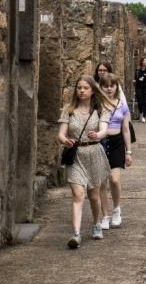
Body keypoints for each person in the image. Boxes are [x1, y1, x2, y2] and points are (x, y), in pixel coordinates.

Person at [57, 75, 113, 248]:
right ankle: (76, 234)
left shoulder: (100, 109)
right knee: (78, 195)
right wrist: (64, 140)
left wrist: (97, 134)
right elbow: (60, 133)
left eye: (85, 88)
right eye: (79, 87)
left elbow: (104, 129)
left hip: (94, 153)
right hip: (76, 155)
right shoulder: (69, 110)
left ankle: (96, 223)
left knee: (94, 196)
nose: (81, 90)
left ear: (92, 90)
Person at [98, 73, 133, 231]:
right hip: (100, 142)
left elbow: (125, 129)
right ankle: (104, 216)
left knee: (114, 179)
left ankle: (116, 209)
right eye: (106, 86)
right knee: (101, 182)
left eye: (112, 85)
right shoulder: (97, 105)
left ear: (116, 87)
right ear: (101, 88)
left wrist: (129, 151)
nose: (109, 88)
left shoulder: (121, 105)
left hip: (117, 142)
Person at [134, 57, 146, 123]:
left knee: (145, 102)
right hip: (138, 87)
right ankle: (141, 112)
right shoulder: (138, 69)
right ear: (141, 62)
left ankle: (144, 116)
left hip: (145, 87)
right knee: (140, 101)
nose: (145, 62)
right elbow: (136, 77)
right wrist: (135, 81)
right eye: (144, 61)